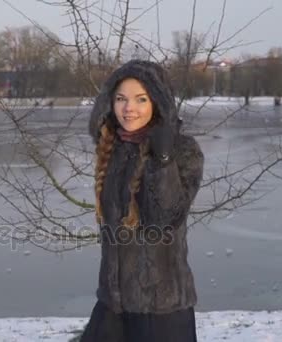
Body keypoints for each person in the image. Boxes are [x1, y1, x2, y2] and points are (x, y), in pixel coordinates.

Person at [80, 60, 204, 341]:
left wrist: (162, 160)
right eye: (121, 99)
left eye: (140, 99)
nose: (128, 108)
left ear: (157, 102)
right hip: (114, 302)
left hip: (160, 310)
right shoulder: (113, 147)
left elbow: (164, 219)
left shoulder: (183, 151)